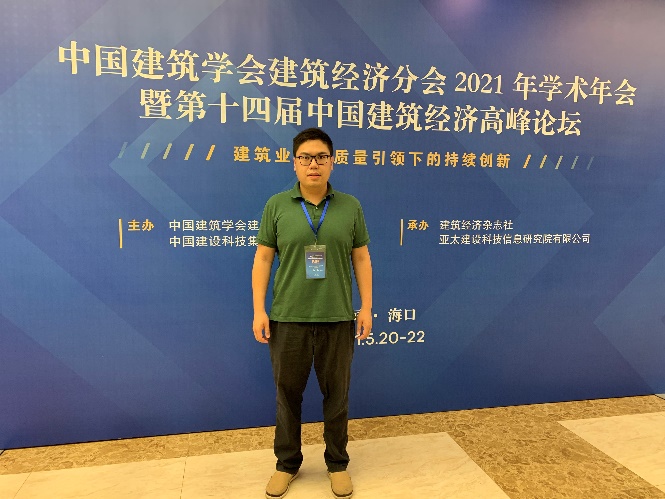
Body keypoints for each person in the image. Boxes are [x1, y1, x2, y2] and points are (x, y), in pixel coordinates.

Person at [252, 128, 372, 499]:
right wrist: (259, 310)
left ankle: (337, 464)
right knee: (287, 395)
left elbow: (361, 258)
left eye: (321, 157)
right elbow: (263, 258)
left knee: (337, 396)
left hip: (337, 317)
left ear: (332, 162)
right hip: (288, 318)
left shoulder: (350, 206)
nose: (313, 164)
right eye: (305, 157)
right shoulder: (277, 205)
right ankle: (286, 464)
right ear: (294, 163)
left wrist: (366, 307)